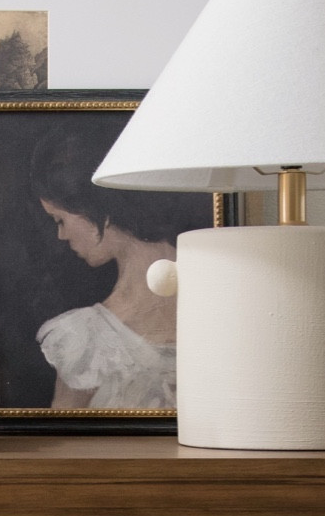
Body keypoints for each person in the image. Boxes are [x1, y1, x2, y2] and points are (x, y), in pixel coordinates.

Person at [31, 115, 207, 410]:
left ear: (94, 208)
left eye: (60, 220)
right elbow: (63, 432)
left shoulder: (87, 339)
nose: (61, 235)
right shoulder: (85, 341)